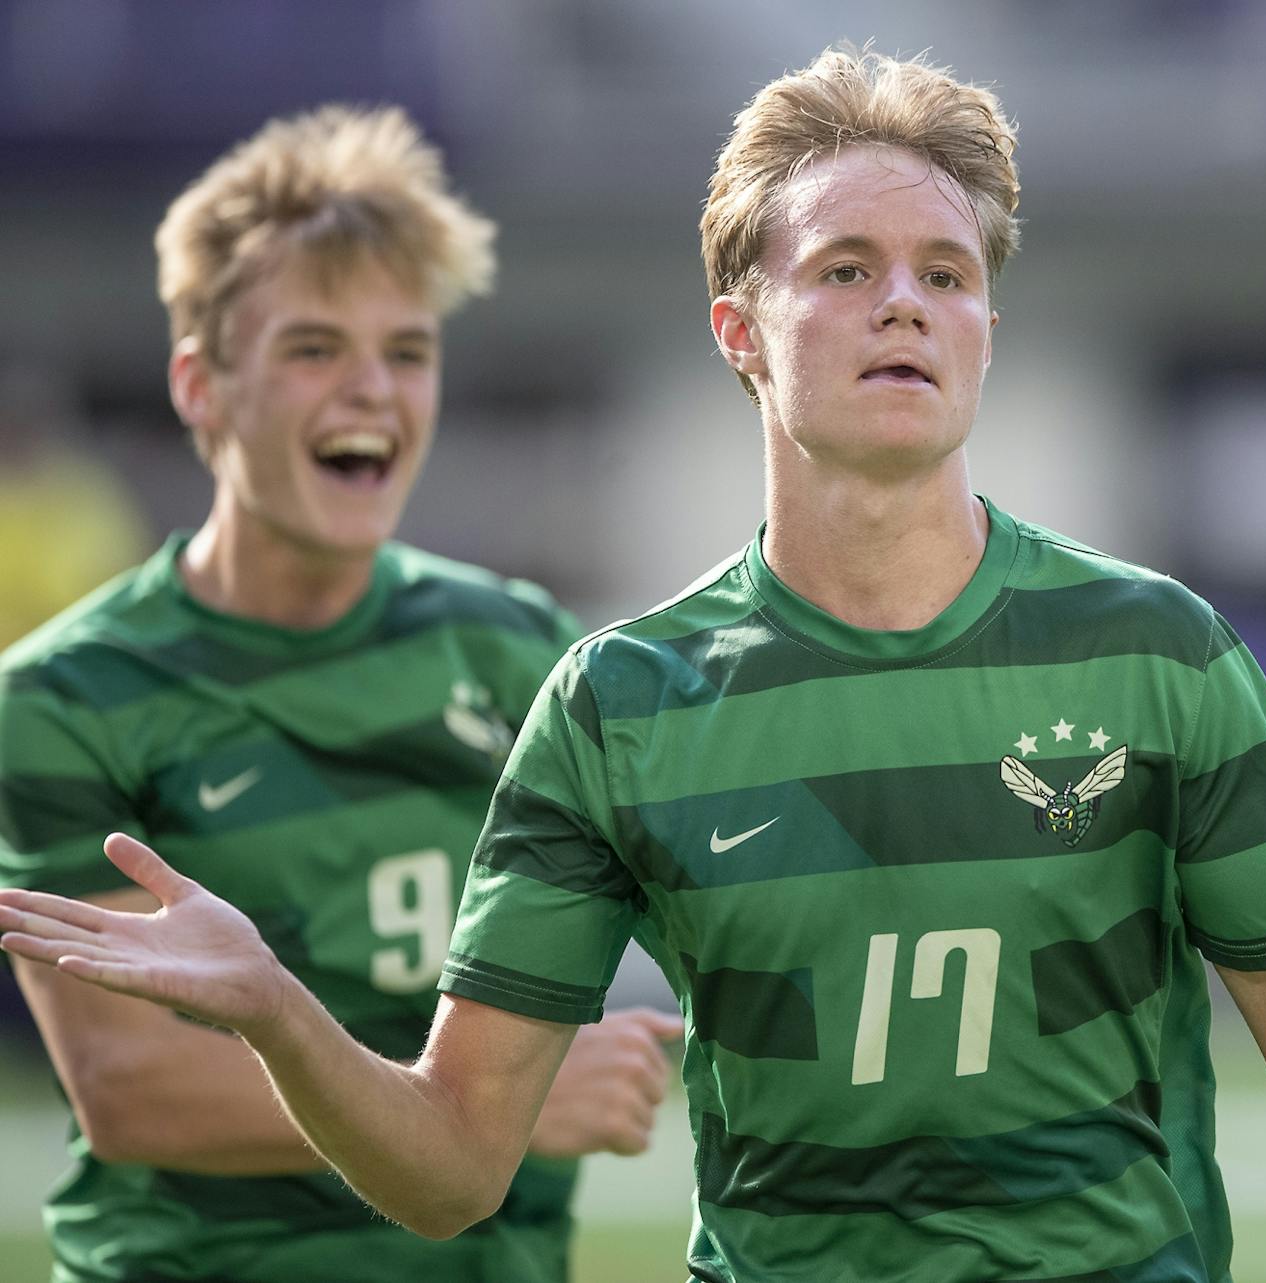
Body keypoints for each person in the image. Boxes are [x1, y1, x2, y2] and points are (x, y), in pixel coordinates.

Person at [0, 52, 1266, 1283]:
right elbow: (456, 1164)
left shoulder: (1156, 649)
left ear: (990, 327)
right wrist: (279, 1005)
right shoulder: (618, 700)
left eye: (945, 272)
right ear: (742, 329)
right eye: (845, 268)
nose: (906, 302)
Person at [0, 105, 681, 1283]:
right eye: (313, 348)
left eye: (407, 352)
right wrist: (494, 1103)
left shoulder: (521, 649)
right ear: (201, 387)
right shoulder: (66, 695)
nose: (372, 389)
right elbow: (131, 1086)